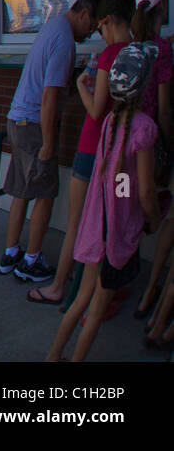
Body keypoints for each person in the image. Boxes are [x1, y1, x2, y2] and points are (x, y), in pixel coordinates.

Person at [47, 42, 162, 361]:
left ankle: (53, 356)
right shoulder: (144, 129)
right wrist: (152, 219)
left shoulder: (111, 122)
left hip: (97, 228)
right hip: (118, 236)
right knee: (96, 310)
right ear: (145, 85)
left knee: (80, 299)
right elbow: (145, 193)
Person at [29, 0, 131, 305]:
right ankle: (99, 285)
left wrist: (79, 85)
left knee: (78, 222)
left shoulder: (110, 55)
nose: (96, 34)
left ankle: (59, 285)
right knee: (110, 220)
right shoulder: (139, 52)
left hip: (92, 145)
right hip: (119, 150)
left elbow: (96, 109)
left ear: (108, 21)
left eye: (99, 28)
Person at [0, 0, 100, 282]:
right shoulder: (65, 41)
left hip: (16, 119)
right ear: (84, 14)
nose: (91, 32)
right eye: (92, 25)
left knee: (21, 190)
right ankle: (31, 261)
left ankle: (11, 252)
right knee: (44, 193)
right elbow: (50, 96)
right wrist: (49, 142)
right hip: (34, 125)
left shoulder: (53, 24)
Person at [132, 0, 174, 322]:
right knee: (162, 213)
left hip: (125, 143)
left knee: (125, 208)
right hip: (151, 142)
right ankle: (150, 295)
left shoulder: (132, 46)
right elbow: (164, 109)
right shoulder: (162, 49)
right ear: (162, 5)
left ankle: (124, 286)